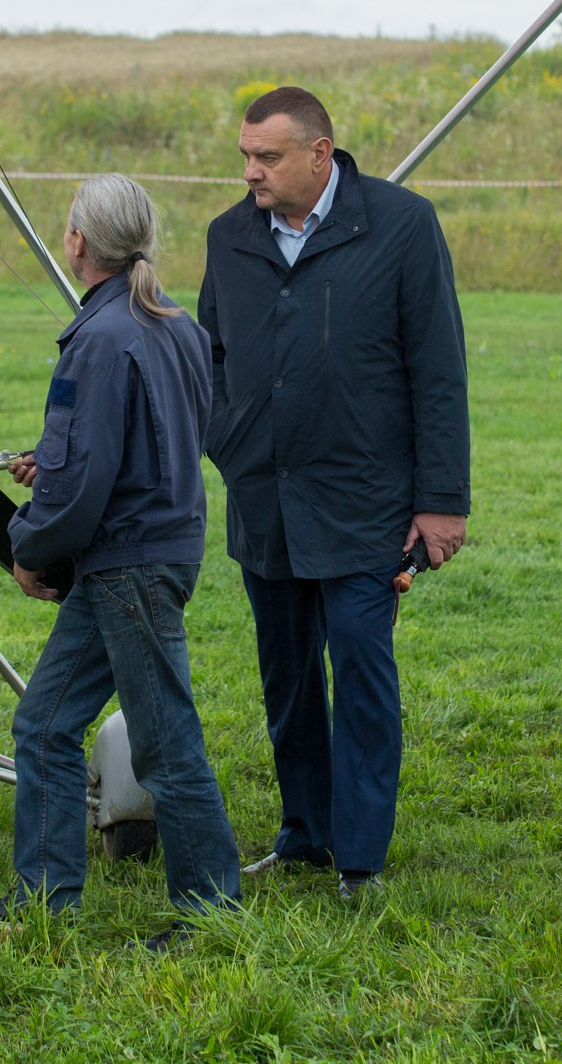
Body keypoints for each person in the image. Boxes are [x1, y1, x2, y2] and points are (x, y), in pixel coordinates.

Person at [199, 85, 470, 898]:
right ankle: (305, 834)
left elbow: (438, 369)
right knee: (286, 681)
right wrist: (227, 442)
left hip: (365, 502)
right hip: (265, 503)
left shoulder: (402, 225)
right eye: (245, 155)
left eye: (267, 157)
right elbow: (209, 357)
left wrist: (442, 500)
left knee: (359, 673)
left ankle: (359, 859)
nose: (251, 172)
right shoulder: (228, 238)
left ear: (320, 154)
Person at [0, 173, 241, 944]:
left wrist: (29, 547)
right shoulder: (176, 326)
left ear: (79, 242)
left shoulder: (98, 337)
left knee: (165, 742)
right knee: (45, 724)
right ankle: (45, 901)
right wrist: (51, 464)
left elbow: (86, 483)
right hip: (148, 555)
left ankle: (212, 912)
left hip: (127, 567)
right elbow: (155, 445)